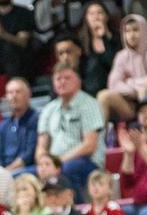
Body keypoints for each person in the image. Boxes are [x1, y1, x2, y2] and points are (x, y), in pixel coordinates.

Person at [36, 63, 104, 194]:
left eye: (67, 78)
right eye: (58, 79)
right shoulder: (48, 109)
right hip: (55, 163)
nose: (62, 82)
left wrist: (58, 162)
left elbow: (89, 145)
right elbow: (41, 146)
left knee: (68, 169)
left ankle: (75, 211)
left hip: (87, 162)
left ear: (78, 81)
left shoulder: (89, 104)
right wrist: (43, 164)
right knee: (22, 175)